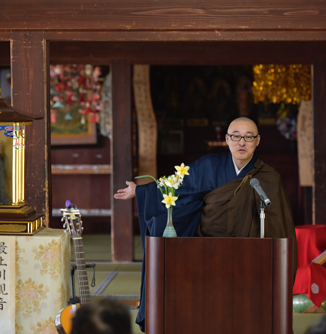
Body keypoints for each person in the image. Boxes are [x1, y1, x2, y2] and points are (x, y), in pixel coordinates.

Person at [114, 117, 297, 332]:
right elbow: (178, 184)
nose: (242, 142)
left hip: (248, 255)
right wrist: (141, 191)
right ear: (227, 140)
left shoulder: (269, 178)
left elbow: (279, 225)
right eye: (236, 136)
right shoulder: (210, 166)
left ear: (258, 141)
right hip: (206, 249)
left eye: (249, 137)